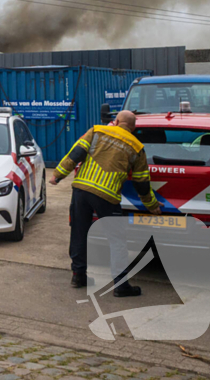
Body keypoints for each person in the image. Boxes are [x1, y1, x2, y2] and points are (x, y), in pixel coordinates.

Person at [49, 110, 160, 295]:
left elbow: (76, 153)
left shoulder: (96, 130)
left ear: (115, 121)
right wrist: (152, 206)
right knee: (117, 240)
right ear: (133, 128)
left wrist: (57, 175)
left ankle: (78, 276)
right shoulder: (137, 147)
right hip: (107, 196)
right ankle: (121, 285)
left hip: (82, 190)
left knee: (79, 233)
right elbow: (142, 181)